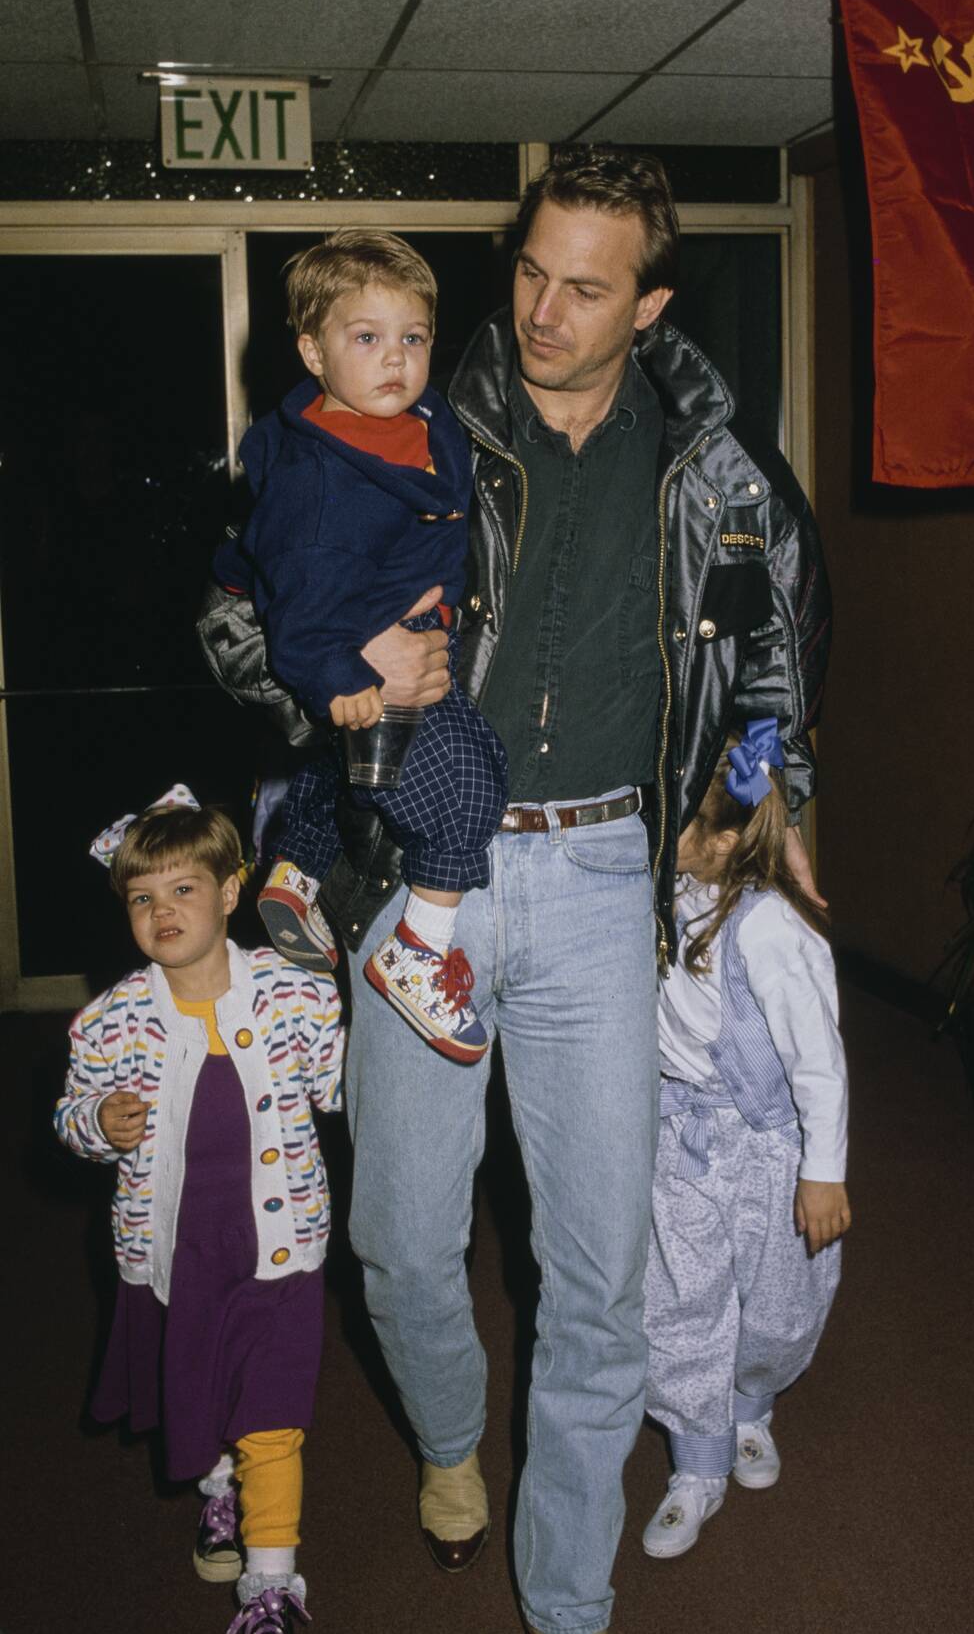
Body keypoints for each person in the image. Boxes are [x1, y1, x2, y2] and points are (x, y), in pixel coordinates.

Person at [198, 146, 832, 1634]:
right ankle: (443, 1436)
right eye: (529, 270)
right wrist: (335, 680)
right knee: (400, 1240)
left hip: (610, 872)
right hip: (425, 854)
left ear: (650, 302)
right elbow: (238, 605)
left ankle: (567, 1593)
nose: (542, 309)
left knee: (596, 1264)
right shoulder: (419, 409)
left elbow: (775, 648)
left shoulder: (716, 458)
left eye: (585, 287)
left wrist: (754, 789)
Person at [55, 787, 344, 1634]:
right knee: (201, 1387)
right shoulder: (109, 1022)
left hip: (281, 1241)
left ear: (229, 891)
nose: (161, 910)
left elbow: (335, 1085)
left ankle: (273, 1583)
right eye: (142, 897)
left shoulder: (293, 993)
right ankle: (218, 1489)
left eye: (183, 889)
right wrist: (96, 1124)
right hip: (171, 1248)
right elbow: (71, 1117)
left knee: (273, 1409)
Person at [214, 229, 507, 1063]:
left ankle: (295, 867)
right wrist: (338, 673)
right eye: (366, 337)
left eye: (413, 338)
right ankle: (418, 947)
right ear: (312, 350)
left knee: (338, 769)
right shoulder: (317, 480)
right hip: (365, 661)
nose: (396, 358)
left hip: (407, 626)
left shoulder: (420, 422)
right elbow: (295, 601)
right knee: (470, 788)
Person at [639, 726, 850, 1560]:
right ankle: (696, 1461)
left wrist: (823, 1172)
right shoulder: (668, 895)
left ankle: (750, 1402)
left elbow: (820, 1063)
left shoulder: (769, 930)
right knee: (680, 1296)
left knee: (776, 1305)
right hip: (679, 1134)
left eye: (679, 819)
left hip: (768, 1146)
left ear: (724, 842)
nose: (664, 831)